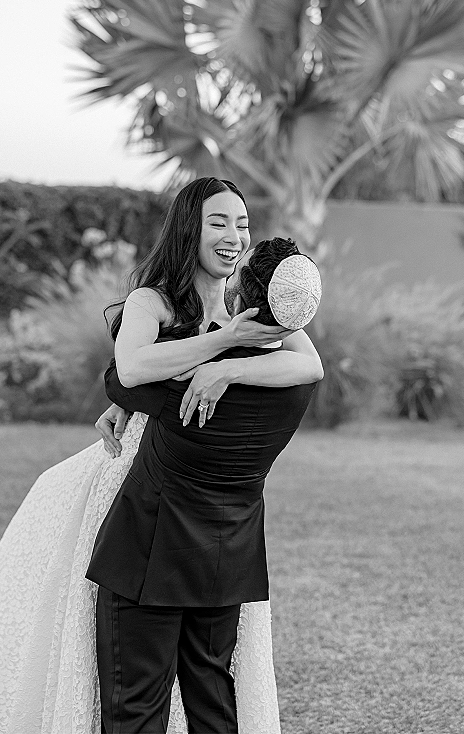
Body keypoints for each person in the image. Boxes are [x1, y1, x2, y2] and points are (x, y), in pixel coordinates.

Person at [0, 178, 322, 734]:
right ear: (190, 228)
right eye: (220, 222)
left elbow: (308, 366)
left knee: (156, 701)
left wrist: (225, 367)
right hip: (189, 529)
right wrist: (213, 350)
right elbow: (135, 369)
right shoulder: (154, 303)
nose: (235, 236)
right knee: (177, 697)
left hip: (170, 533)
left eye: (242, 224)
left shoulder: (257, 319)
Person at [93, 236, 323, 733]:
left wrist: (218, 353)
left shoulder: (191, 373)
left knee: (135, 708)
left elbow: (121, 378)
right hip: (226, 561)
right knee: (214, 703)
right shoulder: (298, 386)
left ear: (243, 295)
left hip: (149, 557)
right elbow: (308, 357)